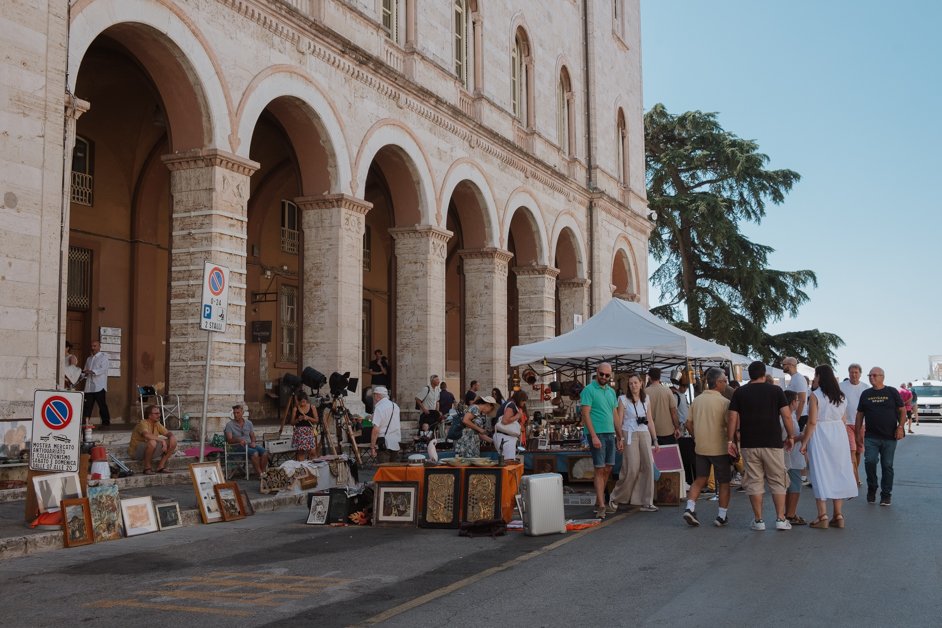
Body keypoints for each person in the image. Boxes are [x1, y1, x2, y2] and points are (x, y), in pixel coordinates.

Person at [728, 361, 796, 531]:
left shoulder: (740, 393)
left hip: (750, 443)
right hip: (772, 442)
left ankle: (758, 521)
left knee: (754, 481)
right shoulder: (776, 391)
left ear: (749, 375)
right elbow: (787, 416)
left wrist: (731, 441)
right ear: (764, 374)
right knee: (778, 480)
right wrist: (791, 436)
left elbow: (732, 418)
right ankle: (781, 519)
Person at [800, 365, 858, 528]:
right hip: (838, 434)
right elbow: (844, 419)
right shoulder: (841, 396)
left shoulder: (815, 395)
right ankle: (838, 515)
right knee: (837, 472)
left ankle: (822, 516)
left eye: (816, 376)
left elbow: (812, 421)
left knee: (820, 473)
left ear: (820, 377)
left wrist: (804, 442)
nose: (814, 379)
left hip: (820, 434)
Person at [682, 367, 731, 526]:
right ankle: (721, 516)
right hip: (719, 448)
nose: (726, 383)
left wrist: (696, 436)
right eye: (724, 381)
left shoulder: (697, 400)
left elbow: (688, 423)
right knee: (723, 482)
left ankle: (690, 508)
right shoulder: (724, 402)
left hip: (701, 446)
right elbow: (729, 425)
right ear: (717, 383)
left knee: (700, 479)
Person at [855, 367, 905, 506]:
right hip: (871, 436)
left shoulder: (891, 392)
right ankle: (872, 488)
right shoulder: (866, 394)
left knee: (887, 465)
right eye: (869, 375)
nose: (871, 377)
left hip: (890, 436)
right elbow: (860, 414)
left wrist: (900, 427)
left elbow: (902, 410)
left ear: (882, 377)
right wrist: (857, 433)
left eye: (874, 375)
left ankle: (886, 495)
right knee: (869, 461)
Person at [610, 372, 659, 513]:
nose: (633, 386)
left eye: (635, 383)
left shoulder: (646, 399)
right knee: (631, 468)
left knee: (648, 466)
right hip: (629, 433)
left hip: (644, 433)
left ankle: (646, 502)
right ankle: (616, 497)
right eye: (631, 383)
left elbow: (649, 420)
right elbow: (618, 421)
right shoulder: (623, 399)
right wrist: (619, 438)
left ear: (641, 383)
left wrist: (655, 439)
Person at [581, 363, 623, 519]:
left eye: (607, 375)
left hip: (610, 433)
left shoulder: (611, 392)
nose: (604, 377)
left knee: (608, 468)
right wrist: (593, 436)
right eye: (601, 374)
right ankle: (601, 505)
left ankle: (599, 500)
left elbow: (615, 415)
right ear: (596, 373)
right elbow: (586, 415)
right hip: (597, 434)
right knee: (599, 469)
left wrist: (620, 437)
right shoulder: (588, 390)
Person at [839, 363, 868, 486]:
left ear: (860, 374)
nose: (854, 374)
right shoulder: (841, 386)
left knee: (858, 451)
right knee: (852, 450)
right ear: (848, 373)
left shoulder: (866, 388)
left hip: (861, 424)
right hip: (846, 423)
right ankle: (854, 479)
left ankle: (854, 473)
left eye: (856, 372)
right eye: (851, 372)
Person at [781, 390, 807, 526]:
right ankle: (790, 514)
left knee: (789, 486)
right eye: (797, 400)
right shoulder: (787, 418)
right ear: (792, 402)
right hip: (791, 457)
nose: (798, 403)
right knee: (795, 487)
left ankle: (788, 513)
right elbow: (786, 439)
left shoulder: (788, 416)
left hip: (791, 456)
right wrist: (802, 436)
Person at [128, 404, 177, 474]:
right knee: (152, 442)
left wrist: (171, 436)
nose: (159, 415)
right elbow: (146, 435)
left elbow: (167, 433)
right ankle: (147, 468)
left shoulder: (157, 423)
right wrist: (162, 440)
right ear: (149, 415)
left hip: (149, 450)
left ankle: (161, 466)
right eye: (156, 413)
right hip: (136, 452)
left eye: (159, 413)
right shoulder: (143, 423)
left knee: (173, 441)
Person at [224, 404, 268, 476]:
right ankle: (260, 474)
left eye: (238, 413)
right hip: (237, 446)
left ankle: (262, 473)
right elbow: (229, 440)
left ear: (242, 413)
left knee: (265, 452)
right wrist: (238, 440)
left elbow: (252, 436)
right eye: (234, 413)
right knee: (255, 453)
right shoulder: (229, 425)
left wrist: (253, 442)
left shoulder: (249, 423)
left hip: (249, 444)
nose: (235, 415)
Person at [646, 367, 679, 445]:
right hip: (668, 432)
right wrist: (677, 428)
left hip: (651, 432)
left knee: (653, 456)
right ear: (660, 377)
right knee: (667, 456)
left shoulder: (645, 392)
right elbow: (673, 412)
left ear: (649, 377)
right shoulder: (667, 391)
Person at [82, 339, 111, 426]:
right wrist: (82, 374)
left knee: (102, 405)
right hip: (89, 386)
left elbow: (102, 369)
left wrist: (91, 371)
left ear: (99, 347)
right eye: (92, 346)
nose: (93, 348)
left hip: (99, 386)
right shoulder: (89, 359)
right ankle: (86, 422)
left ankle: (106, 422)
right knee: (87, 405)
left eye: (95, 346)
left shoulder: (103, 357)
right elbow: (85, 370)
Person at [370, 386, 402, 463]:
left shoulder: (379, 408)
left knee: (384, 469)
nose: (374, 397)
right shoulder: (395, 406)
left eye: (374, 395)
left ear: (378, 396)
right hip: (396, 441)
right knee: (393, 470)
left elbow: (376, 429)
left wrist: (372, 447)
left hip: (384, 443)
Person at [493, 390, 526, 461]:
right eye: (523, 400)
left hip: (503, 437)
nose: (524, 403)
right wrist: (518, 416)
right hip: (505, 438)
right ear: (519, 399)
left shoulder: (508, 404)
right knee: (508, 462)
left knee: (505, 461)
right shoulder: (511, 405)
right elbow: (505, 421)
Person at [291, 392, 320, 461]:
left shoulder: (312, 407)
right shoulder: (295, 409)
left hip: (309, 432)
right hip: (300, 433)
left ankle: (313, 468)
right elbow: (292, 423)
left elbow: (316, 420)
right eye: (300, 402)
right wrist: (298, 419)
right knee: (301, 452)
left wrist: (308, 418)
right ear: (298, 401)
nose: (302, 404)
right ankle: (302, 467)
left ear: (306, 400)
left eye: (303, 402)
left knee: (312, 452)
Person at [783, 357, 809, 430]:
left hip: (799, 416)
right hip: (796, 415)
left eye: (783, 364)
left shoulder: (798, 378)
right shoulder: (794, 378)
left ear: (790, 365)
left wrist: (796, 419)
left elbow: (802, 400)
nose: (782, 366)